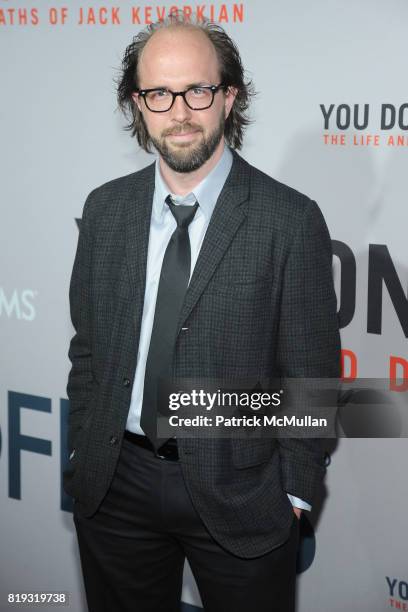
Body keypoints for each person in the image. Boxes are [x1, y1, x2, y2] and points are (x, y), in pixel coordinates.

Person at [64, 13, 341, 612]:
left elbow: (312, 378)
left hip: (243, 492)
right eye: (158, 93)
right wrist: (86, 449)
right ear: (137, 105)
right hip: (116, 486)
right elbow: (88, 349)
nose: (179, 111)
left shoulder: (289, 220)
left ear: (229, 96)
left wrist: (292, 493)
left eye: (198, 90)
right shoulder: (105, 210)